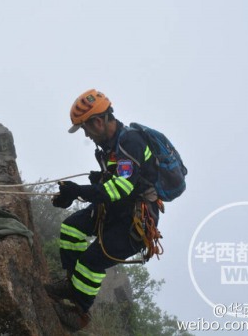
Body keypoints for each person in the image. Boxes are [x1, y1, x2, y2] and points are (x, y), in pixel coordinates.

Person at [47, 89, 162, 331]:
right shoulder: (111, 145)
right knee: (71, 229)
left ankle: (79, 312)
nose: (86, 135)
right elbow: (117, 180)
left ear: (98, 122)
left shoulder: (130, 142)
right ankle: (72, 283)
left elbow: (120, 187)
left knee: (91, 262)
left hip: (134, 220)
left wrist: (78, 191)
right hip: (115, 210)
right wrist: (82, 189)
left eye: (85, 128)